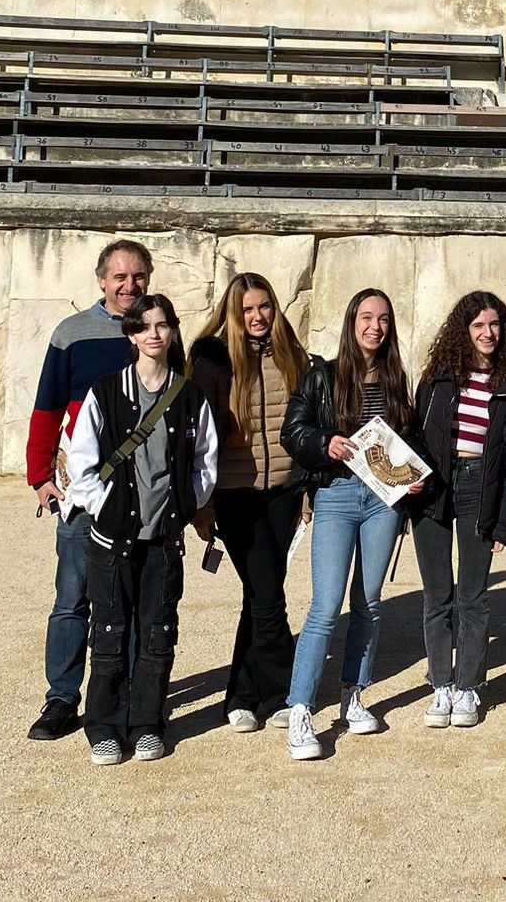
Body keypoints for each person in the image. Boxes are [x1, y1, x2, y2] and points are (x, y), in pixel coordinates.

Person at [65, 294, 220, 766]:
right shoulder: (106, 391)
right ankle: (105, 726)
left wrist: (185, 503)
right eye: (144, 326)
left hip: (163, 538)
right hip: (112, 538)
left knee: (158, 632)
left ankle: (149, 722)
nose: (154, 334)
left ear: (173, 332)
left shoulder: (190, 395)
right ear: (131, 335)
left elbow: (205, 462)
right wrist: (104, 505)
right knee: (110, 632)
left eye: (162, 325)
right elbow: (81, 462)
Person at [278, 287, 422, 762]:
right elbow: (292, 430)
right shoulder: (324, 375)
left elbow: (409, 440)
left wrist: (413, 477)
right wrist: (327, 442)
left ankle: (352, 695)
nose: (374, 326)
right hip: (337, 494)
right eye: (366, 317)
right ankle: (299, 708)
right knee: (325, 605)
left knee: (369, 602)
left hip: (383, 501)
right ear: (351, 320)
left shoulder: (398, 379)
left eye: (382, 319)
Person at [23, 239, 155, 743]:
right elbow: (47, 409)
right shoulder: (72, 334)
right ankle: (61, 698)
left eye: (138, 276)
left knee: (134, 597)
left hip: (142, 492)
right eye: (119, 277)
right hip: (82, 491)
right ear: (101, 281)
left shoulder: (157, 331)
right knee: (73, 596)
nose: (129, 286)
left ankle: (125, 695)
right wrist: (40, 478)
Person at [189, 272, 309, 733]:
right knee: (267, 594)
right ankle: (281, 693)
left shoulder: (292, 356)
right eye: (247, 310)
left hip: (284, 491)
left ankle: (241, 696)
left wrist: (307, 489)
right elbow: (197, 436)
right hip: (235, 495)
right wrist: (200, 504)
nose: (257, 317)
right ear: (233, 315)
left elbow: (306, 423)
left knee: (260, 595)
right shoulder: (214, 360)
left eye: (265, 307)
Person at [411, 291, 506, 729]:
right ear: (463, 331)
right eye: (479, 326)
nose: (488, 333)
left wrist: (505, 519)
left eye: (495, 325)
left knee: (473, 595)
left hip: (482, 484)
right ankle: (440, 683)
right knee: (436, 594)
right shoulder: (439, 378)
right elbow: (416, 436)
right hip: (436, 486)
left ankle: (469, 688)